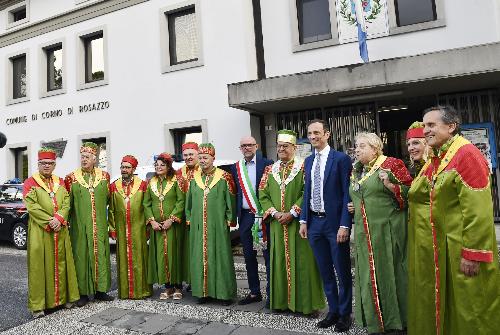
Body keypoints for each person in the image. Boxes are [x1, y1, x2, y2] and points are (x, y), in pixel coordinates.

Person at [408, 106, 500, 335]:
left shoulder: (466, 155)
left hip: (462, 246)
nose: (425, 130)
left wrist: (473, 252)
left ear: (451, 127)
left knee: (472, 307)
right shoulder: (440, 157)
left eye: (431, 125)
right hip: (446, 246)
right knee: (454, 306)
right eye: (424, 124)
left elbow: (479, 211)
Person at [348, 132, 412, 334]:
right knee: (368, 278)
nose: (357, 150)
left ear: (375, 148)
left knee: (392, 275)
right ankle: (375, 321)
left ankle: (398, 320)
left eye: (362, 146)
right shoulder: (356, 170)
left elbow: (411, 195)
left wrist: (391, 186)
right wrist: (355, 205)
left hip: (388, 233)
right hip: (364, 234)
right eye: (356, 146)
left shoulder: (392, 164)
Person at [259, 130, 325, 315]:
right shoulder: (269, 169)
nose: (281, 149)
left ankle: (307, 305)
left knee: (304, 264)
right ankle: (281, 303)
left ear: (294, 148)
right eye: (279, 146)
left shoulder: (304, 167)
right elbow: (262, 194)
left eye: (285, 146)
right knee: (279, 262)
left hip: (299, 224)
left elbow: (308, 192)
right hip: (276, 225)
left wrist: (293, 212)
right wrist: (275, 213)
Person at [298, 120, 353, 331]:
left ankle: (345, 314)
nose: (312, 137)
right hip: (314, 224)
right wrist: (304, 220)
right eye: (310, 133)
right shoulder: (309, 161)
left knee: (342, 270)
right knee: (325, 271)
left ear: (327, 134)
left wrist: (344, 225)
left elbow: (346, 193)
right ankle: (333, 311)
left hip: (334, 225)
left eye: (317, 133)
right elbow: (307, 193)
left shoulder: (340, 159)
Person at [23, 148, 80, 318]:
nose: (46, 166)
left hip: (60, 230)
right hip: (40, 231)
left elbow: (66, 202)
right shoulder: (30, 183)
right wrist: (50, 221)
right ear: (38, 164)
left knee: (63, 264)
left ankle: (64, 299)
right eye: (43, 163)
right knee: (39, 267)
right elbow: (32, 206)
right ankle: (39, 306)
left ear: (54, 164)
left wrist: (60, 218)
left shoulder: (60, 182)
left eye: (50, 163)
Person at [185, 143, 237, 305]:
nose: (202, 160)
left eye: (205, 157)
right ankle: (202, 292)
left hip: (218, 224)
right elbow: (189, 201)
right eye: (200, 158)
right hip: (198, 225)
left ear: (213, 158)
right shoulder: (194, 178)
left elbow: (231, 200)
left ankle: (224, 294)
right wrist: (189, 218)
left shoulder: (224, 177)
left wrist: (229, 219)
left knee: (220, 257)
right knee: (199, 257)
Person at [65, 142, 113, 307]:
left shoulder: (105, 176)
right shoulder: (71, 178)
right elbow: (67, 204)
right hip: (79, 227)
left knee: (101, 255)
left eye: (87, 157)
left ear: (94, 159)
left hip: (99, 225)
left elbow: (109, 200)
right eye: (82, 157)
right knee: (82, 256)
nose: (84, 160)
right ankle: (83, 292)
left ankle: (101, 291)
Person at [230, 136, 273, 306]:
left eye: (249, 145)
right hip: (246, 217)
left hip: (264, 217)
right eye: (243, 146)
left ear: (256, 146)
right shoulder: (236, 167)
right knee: (249, 256)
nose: (247, 148)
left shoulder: (267, 163)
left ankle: (272, 293)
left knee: (267, 256)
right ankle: (254, 292)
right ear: (240, 149)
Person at [109, 155, 152, 299]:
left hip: (138, 228)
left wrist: (147, 227)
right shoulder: (114, 186)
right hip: (122, 230)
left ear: (133, 169)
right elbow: (112, 209)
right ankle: (125, 292)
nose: (124, 170)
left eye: (127, 167)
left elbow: (147, 207)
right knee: (123, 259)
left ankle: (142, 291)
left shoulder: (143, 185)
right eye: (122, 167)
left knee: (140, 259)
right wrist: (113, 228)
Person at [144, 153, 185, 300]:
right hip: (157, 227)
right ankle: (167, 287)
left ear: (168, 166)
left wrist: (172, 219)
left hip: (173, 226)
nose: (158, 167)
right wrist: (152, 221)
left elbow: (181, 201)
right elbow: (146, 203)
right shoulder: (151, 182)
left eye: (162, 165)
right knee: (162, 256)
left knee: (175, 255)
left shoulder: (177, 180)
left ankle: (178, 287)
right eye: (156, 165)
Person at [176, 142, 200, 290]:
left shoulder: (203, 170)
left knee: (197, 249)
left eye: (191, 154)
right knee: (183, 250)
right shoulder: (178, 173)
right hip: (181, 217)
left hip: (198, 216)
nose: (188, 157)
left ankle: (197, 280)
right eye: (185, 155)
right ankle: (186, 279)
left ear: (197, 154)